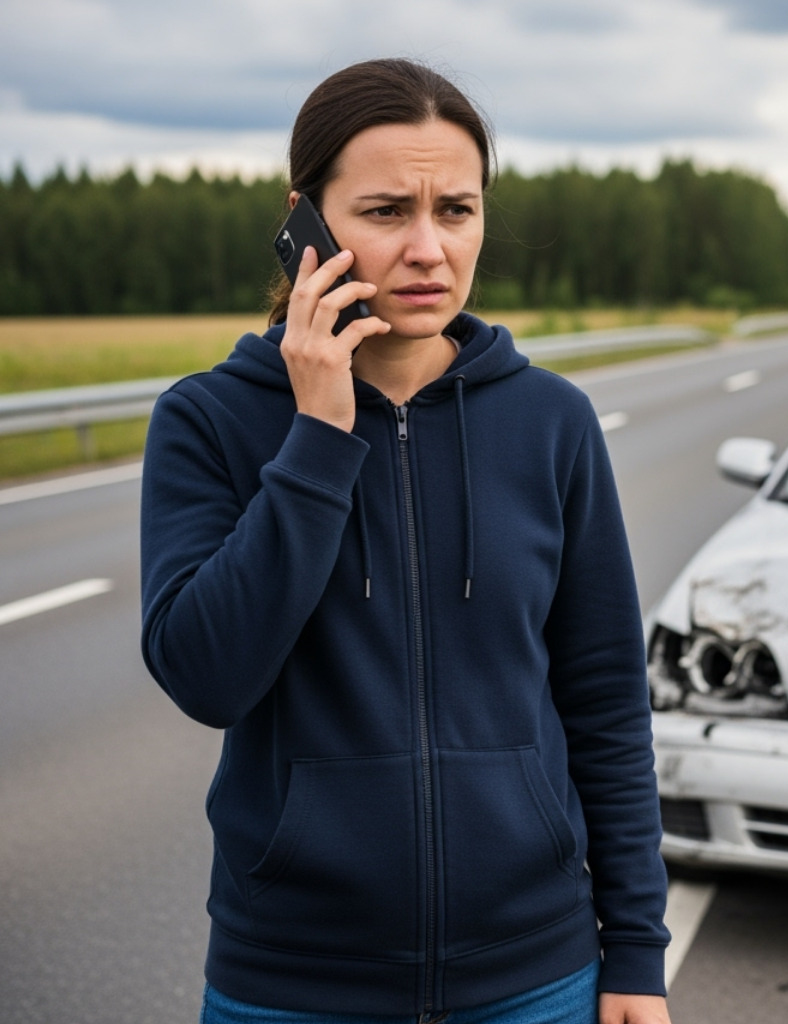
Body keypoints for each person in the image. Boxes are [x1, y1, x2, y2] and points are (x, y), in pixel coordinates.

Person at [139, 58, 671, 1024]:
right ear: (305, 220)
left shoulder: (552, 421)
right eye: (386, 212)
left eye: (456, 210)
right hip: (292, 986)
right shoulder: (209, 420)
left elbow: (606, 701)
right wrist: (317, 435)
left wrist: (634, 950)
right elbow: (206, 678)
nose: (429, 249)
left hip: (536, 977)